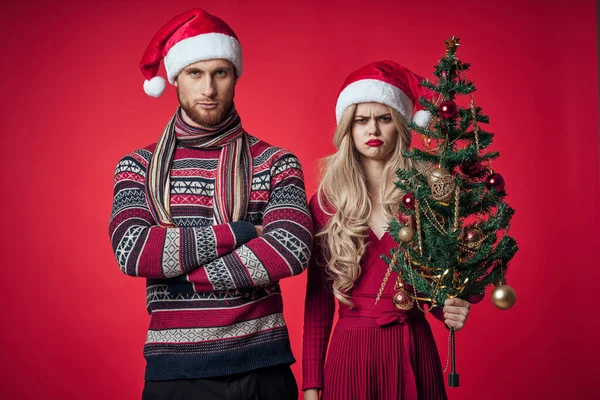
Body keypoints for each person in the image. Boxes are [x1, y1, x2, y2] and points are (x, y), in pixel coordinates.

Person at [109, 9, 312, 400]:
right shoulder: (137, 166)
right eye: (195, 74)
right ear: (175, 79)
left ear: (235, 76)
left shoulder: (276, 162)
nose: (208, 89)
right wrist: (242, 232)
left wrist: (182, 275)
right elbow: (133, 251)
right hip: (175, 373)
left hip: (262, 368)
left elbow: (291, 249)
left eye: (220, 72)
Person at [302, 61, 472, 400]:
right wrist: (311, 386)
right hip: (350, 353)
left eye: (384, 118)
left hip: (413, 346)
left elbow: (436, 291)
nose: (372, 130)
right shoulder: (326, 202)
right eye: (361, 120)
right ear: (348, 129)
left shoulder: (426, 195)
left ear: (401, 125)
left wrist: (452, 307)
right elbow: (318, 302)